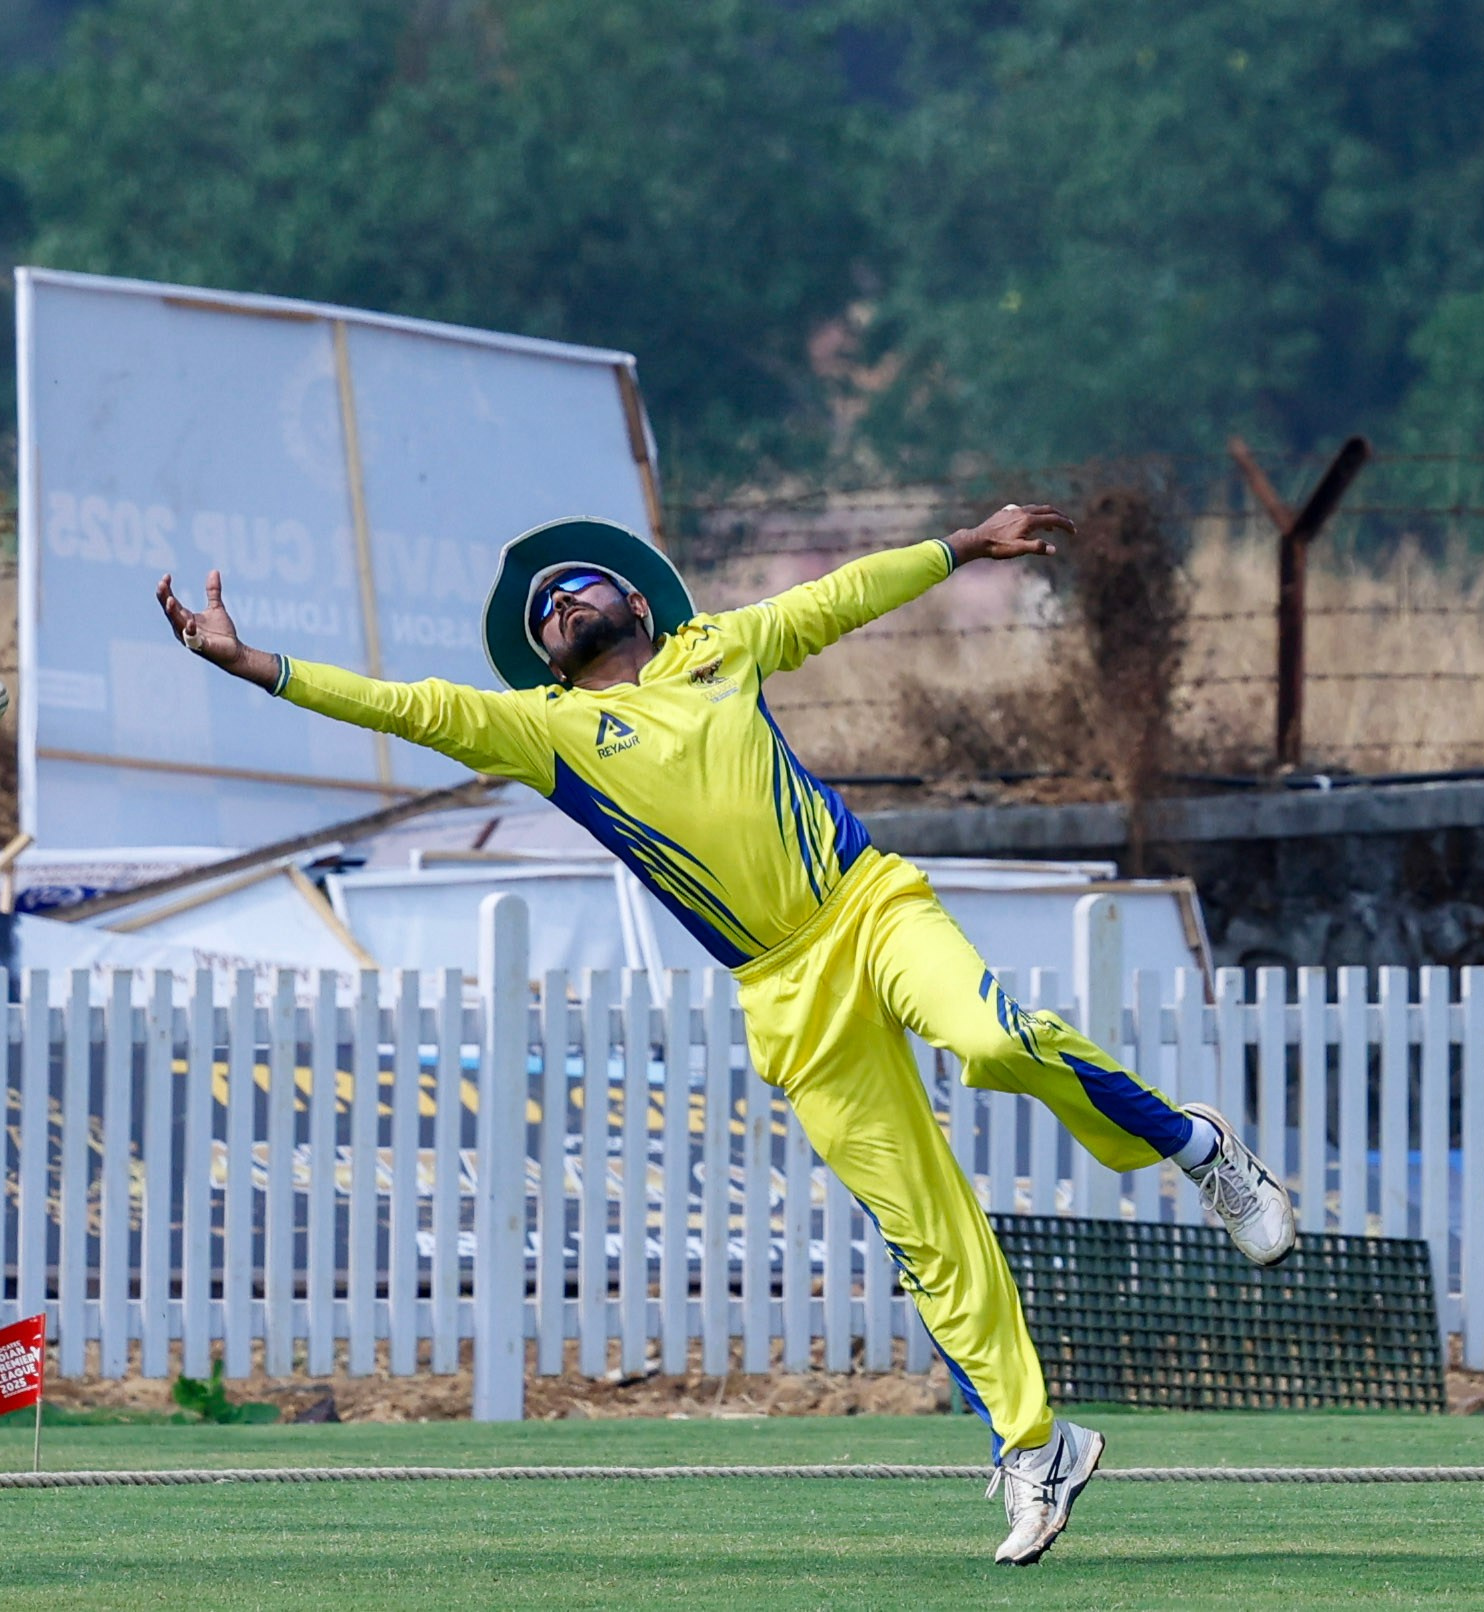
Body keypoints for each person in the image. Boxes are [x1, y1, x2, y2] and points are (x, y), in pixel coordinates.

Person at [157, 509, 1296, 1566]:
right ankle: (1036, 1445)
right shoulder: (547, 731)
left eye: (575, 585)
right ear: (545, 657)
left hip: (866, 905)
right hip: (782, 991)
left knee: (995, 1045)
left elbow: (842, 596)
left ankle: (1197, 1148)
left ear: (637, 601)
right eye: (543, 611)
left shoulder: (722, 646)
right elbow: (404, 706)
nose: (557, 603)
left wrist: (965, 544)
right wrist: (253, 664)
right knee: (922, 1228)